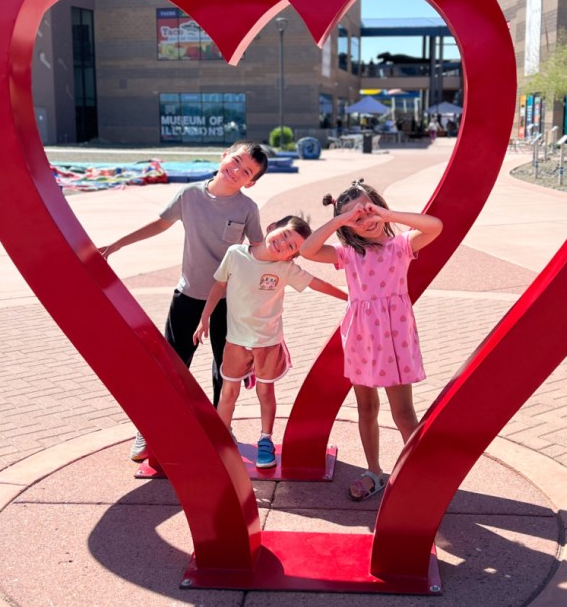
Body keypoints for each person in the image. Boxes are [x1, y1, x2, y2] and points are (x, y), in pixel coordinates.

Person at [99, 141, 269, 463]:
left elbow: (258, 251)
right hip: (188, 296)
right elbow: (160, 224)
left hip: (228, 303)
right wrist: (118, 245)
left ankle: (223, 428)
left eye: (246, 171)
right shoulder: (189, 195)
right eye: (235, 161)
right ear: (224, 157)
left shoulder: (247, 209)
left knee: (225, 369)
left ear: (251, 182)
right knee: (172, 366)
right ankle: (149, 429)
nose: (236, 171)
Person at [299, 179, 442, 501]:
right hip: (362, 336)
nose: (366, 221)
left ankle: (417, 475)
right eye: (356, 218)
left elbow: (435, 226)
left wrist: (386, 214)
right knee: (366, 407)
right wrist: (339, 220)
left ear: (379, 206)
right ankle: (375, 471)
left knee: (403, 411)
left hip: (395, 336)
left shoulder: (402, 244)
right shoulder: (347, 254)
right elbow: (307, 250)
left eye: (368, 211)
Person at [193, 215, 347, 468]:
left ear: (291, 257)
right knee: (228, 392)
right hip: (236, 341)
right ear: (272, 228)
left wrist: (350, 299)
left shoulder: (285, 269)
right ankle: (221, 440)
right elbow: (219, 286)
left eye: (291, 247)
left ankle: (265, 440)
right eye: (284, 235)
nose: (283, 244)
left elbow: (317, 284)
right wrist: (204, 318)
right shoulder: (235, 254)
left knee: (265, 392)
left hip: (268, 343)